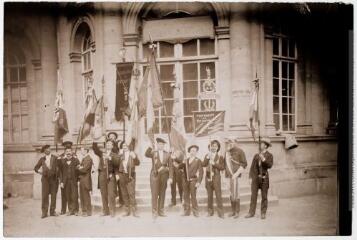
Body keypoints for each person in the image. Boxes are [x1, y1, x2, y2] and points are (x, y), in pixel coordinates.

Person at [245, 137, 274, 220]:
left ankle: (263, 213)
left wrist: (263, 159)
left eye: (261, 144)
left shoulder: (269, 155)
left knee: (264, 196)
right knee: (253, 196)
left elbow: (270, 165)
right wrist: (250, 177)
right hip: (255, 179)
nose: (260, 145)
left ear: (265, 146)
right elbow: (252, 167)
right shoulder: (256, 155)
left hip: (264, 178)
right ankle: (251, 212)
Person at [145, 137, 173, 219]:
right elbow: (146, 154)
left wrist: (170, 177)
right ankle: (154, 212)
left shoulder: (167, 154)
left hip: (164, 176)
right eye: (159, 144)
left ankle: (161, 211)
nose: (160, 146)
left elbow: (170, 167)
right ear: (157, 145)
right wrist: (150, 146)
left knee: (162, 193)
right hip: (154, 175)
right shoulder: (154, 152)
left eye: (162, 144)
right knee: (154, 194)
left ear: (164, 145)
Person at [93, 140, 119, 217]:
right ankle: (105, 211)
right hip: (102, 175)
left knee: (111, 194)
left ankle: (112, 211)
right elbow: (95, 149)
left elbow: (117, 163)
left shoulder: (114, 154)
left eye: (110, 144)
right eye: (107, 143)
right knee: (103, 194)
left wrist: (110, 158)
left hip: (110, 175)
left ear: (112, 146)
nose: (108, 145)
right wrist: (95, 139)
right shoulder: (102, 153)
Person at [115, 141, 140, 217]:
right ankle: (127, 211)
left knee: (131, 194)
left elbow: (138, 163)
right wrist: (117, 174)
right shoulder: (120, 155)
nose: (124, 147)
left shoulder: (132, 154)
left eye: (126, 145)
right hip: (122, 175)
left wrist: (134, 157)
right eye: (123, 146)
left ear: (129, 146)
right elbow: (116, 165)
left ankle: (134, 211)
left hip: (130, 175)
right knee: (124, 193)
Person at [34, 145, 60, 218]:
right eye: (46, 149)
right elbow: (36, 168)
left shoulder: (55, 158)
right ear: (44, 151)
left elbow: (60, 166)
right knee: (45, 196)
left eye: (49, 149)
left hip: (54, 180)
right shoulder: (42, 159)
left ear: (50, 149)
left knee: (53, 196)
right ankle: (44, 212)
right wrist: (40, 172)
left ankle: (52, 211)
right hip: (45, 180)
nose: (48, 150)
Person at [202, 140, 225, 218]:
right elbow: (203, 164)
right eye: (212, 146)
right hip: (208, 177)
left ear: (218, 148)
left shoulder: (220, 157)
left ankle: (221, 213)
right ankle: (210, 211)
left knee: (218, 195)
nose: (213, 147)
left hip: (216, 177)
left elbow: (222, 168)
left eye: (215, 146)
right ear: (209, 147)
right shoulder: (207, 155)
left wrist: (214, 164)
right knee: (209, 195)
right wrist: (207, 158)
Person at [179, 144, 203, 217]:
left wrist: (199, 182)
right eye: (192, 150)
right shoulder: (186, 160)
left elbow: (201, 172)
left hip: (193, 180)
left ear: (196, 152)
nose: (193, 152)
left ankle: (195, 212)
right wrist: (183, 162)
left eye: (195, 151)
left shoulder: (198, 160)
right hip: (185, 180)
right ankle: (186, 211)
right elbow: (179, 167)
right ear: (189, 152)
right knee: (186, 196)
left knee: (193, 196)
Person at [225, 142, 247, 218]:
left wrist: (237, 173)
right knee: (231, 193)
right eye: (228, 142)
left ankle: (237, 212)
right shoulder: (227, 152)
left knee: (237, 193)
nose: (230, 144)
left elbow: (244, 164)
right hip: (229, 176)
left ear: (235, 142)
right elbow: (226, 165)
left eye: (232, 142)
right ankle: (233, 211)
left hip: (237, 176)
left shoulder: (240, 151)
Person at [59, 147, 80, 216]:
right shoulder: (62, 161)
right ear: (65, 152)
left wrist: (78, 180)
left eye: (69, 151)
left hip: (74, 181)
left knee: (75, 195)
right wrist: (61, 182)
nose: (68, 153)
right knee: (68, 196)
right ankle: (71, 210)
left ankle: (76, 210)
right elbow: (61, 172)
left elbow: (79, 171)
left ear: (72, 152)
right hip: (66, 181)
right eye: (67, 151)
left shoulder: (76, 160)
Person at [107, 131, 124, 207]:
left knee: (120, 186)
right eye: (110, 136)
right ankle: (112, 202)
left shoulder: (118, 144)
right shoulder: (108, 145)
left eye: (113, 136)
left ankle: (121, 201)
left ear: (115, 137)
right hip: (111, 169)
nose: (111, 137)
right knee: (112, 187)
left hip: (118, 167)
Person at [58, 140, 73, 215]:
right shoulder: (60, 157)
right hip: (63, 180)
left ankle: (71, 209)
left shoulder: (73, 156)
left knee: (71, 195)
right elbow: (59, 171)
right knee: (63, 195)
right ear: (64, 149)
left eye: (69, 148)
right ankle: (63, 210)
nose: (68, 150)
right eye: (66, 148)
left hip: (71, 180)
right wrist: (61, 181)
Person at [77, 146, 93, 217]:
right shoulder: (84, 158)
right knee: (82, 196)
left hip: (85, 180)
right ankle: (84, 211)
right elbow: (80, 168)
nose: (81, 152)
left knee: (86, 196)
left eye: (82, 150)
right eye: (81, 150)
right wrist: (79, 167)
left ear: (86, 151)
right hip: (82, 179)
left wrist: (79, 168)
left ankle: (88, 211)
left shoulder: (89, 159)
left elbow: (84, 169)